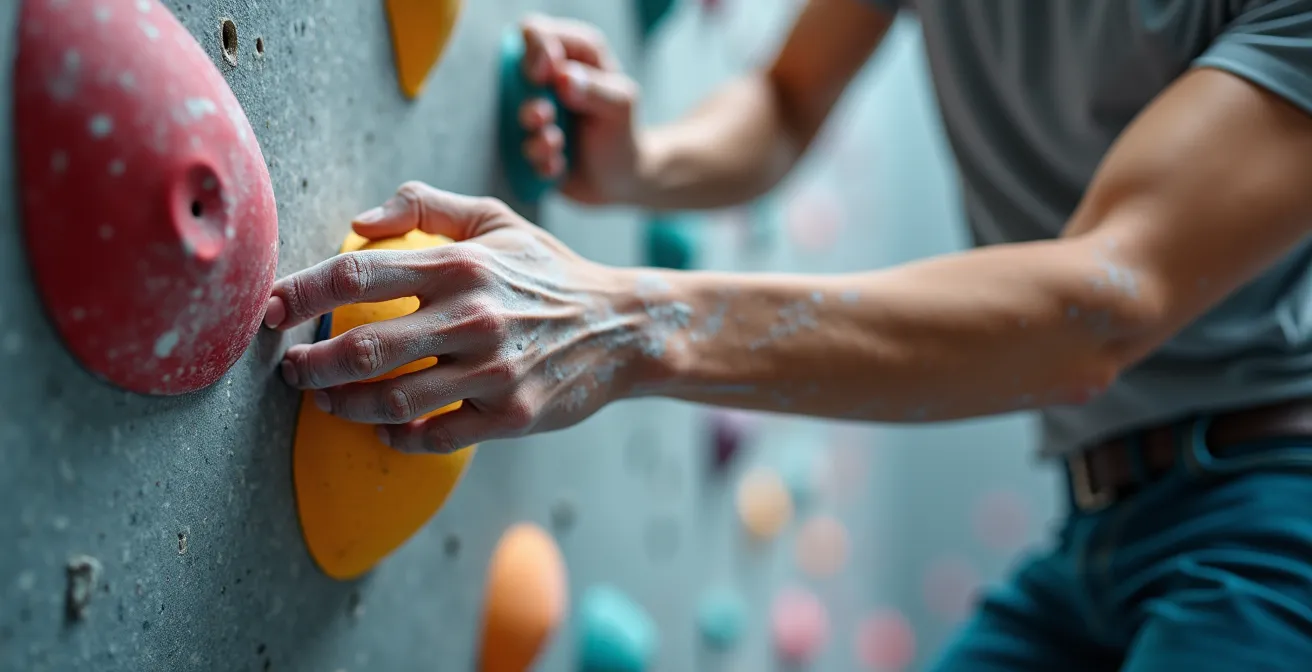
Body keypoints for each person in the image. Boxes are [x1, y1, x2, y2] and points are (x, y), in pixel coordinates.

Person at [262, 1, 1312, 668]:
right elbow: (786, 94)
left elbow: (1103, 303)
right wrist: (646, 161)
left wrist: (625, 323)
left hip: (1272, 513)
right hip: (1097, 521)